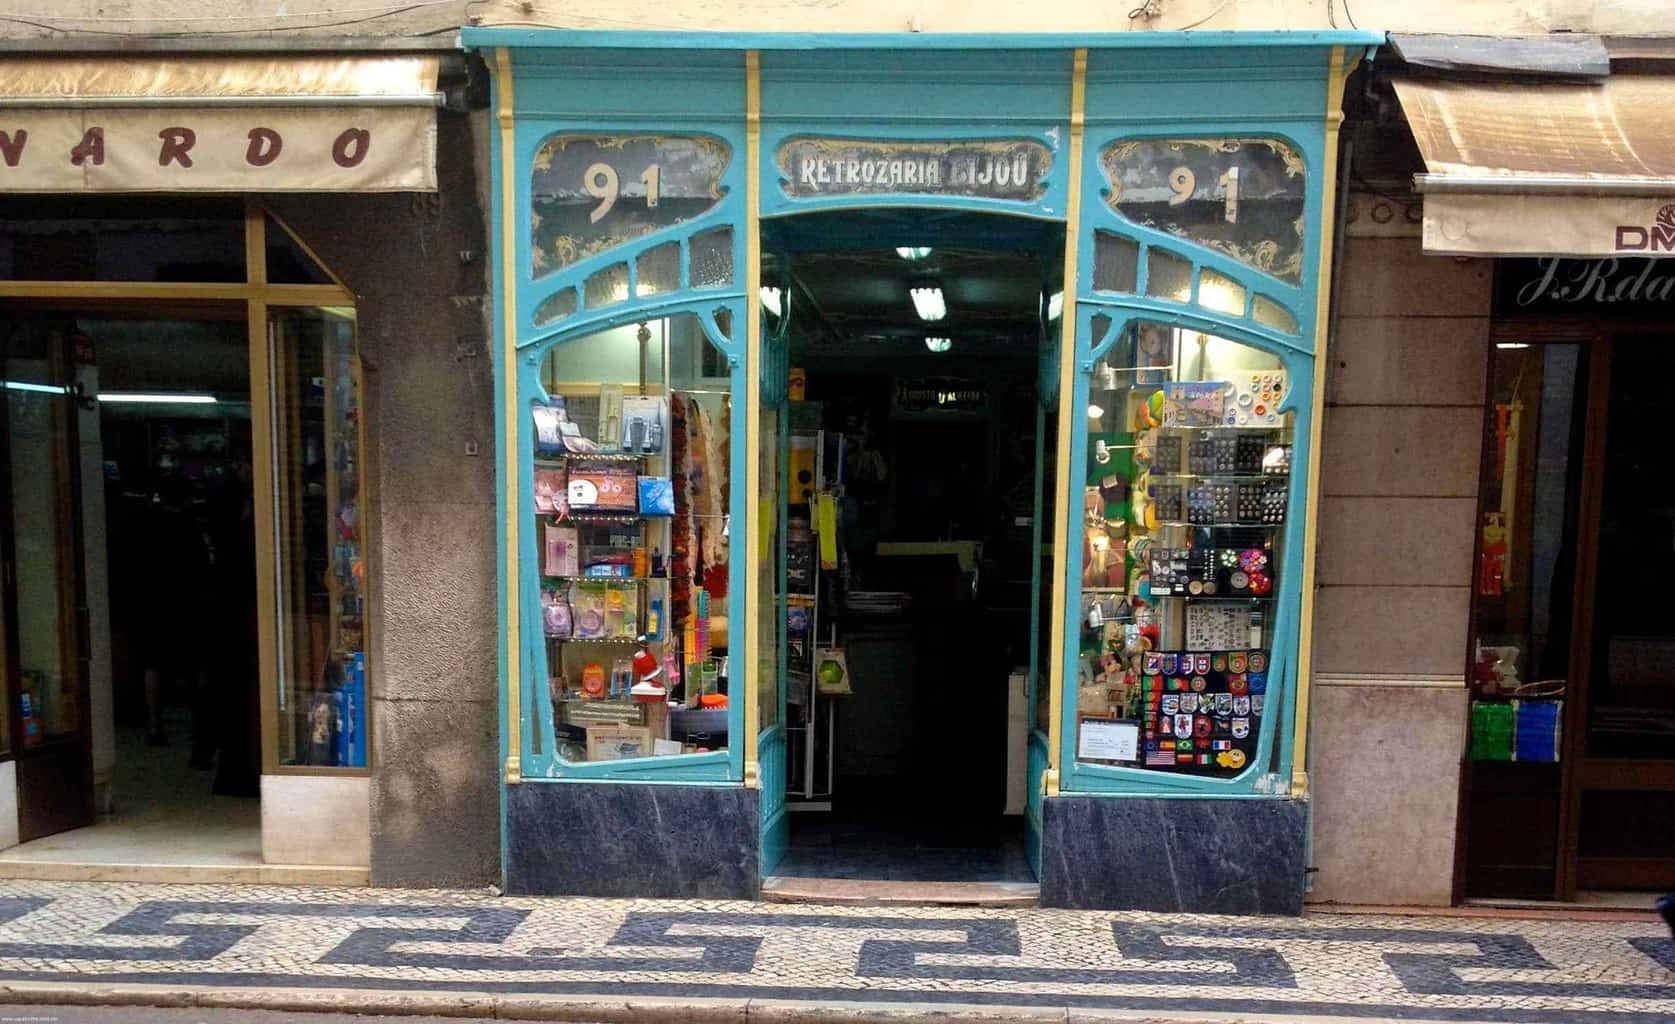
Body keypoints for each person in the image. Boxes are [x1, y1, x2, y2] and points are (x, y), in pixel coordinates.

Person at [137, 474, 213, 748]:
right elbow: (202, 568)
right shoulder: (188, 527)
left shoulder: (146, 523)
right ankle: (198, 726)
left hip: (152, 603)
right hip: (184, 604)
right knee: (192, 666)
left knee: (153, 665)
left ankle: (154, 725)